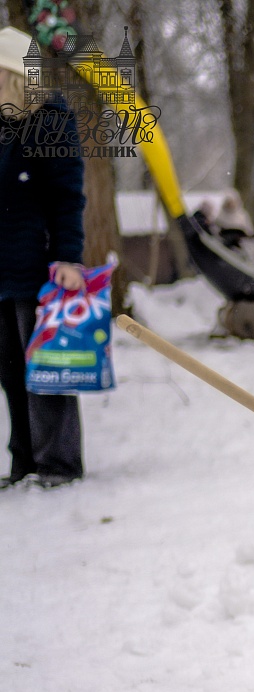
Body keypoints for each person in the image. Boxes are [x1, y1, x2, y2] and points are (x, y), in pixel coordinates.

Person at [0, 26, 87, 490]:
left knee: (49, 370)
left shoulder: (51, 120)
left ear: (14, 75)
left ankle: (58, 463)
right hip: (2, 269)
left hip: (42, 269)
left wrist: (69, 258)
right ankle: (23, 463)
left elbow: (67, 197)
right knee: (10, 372)